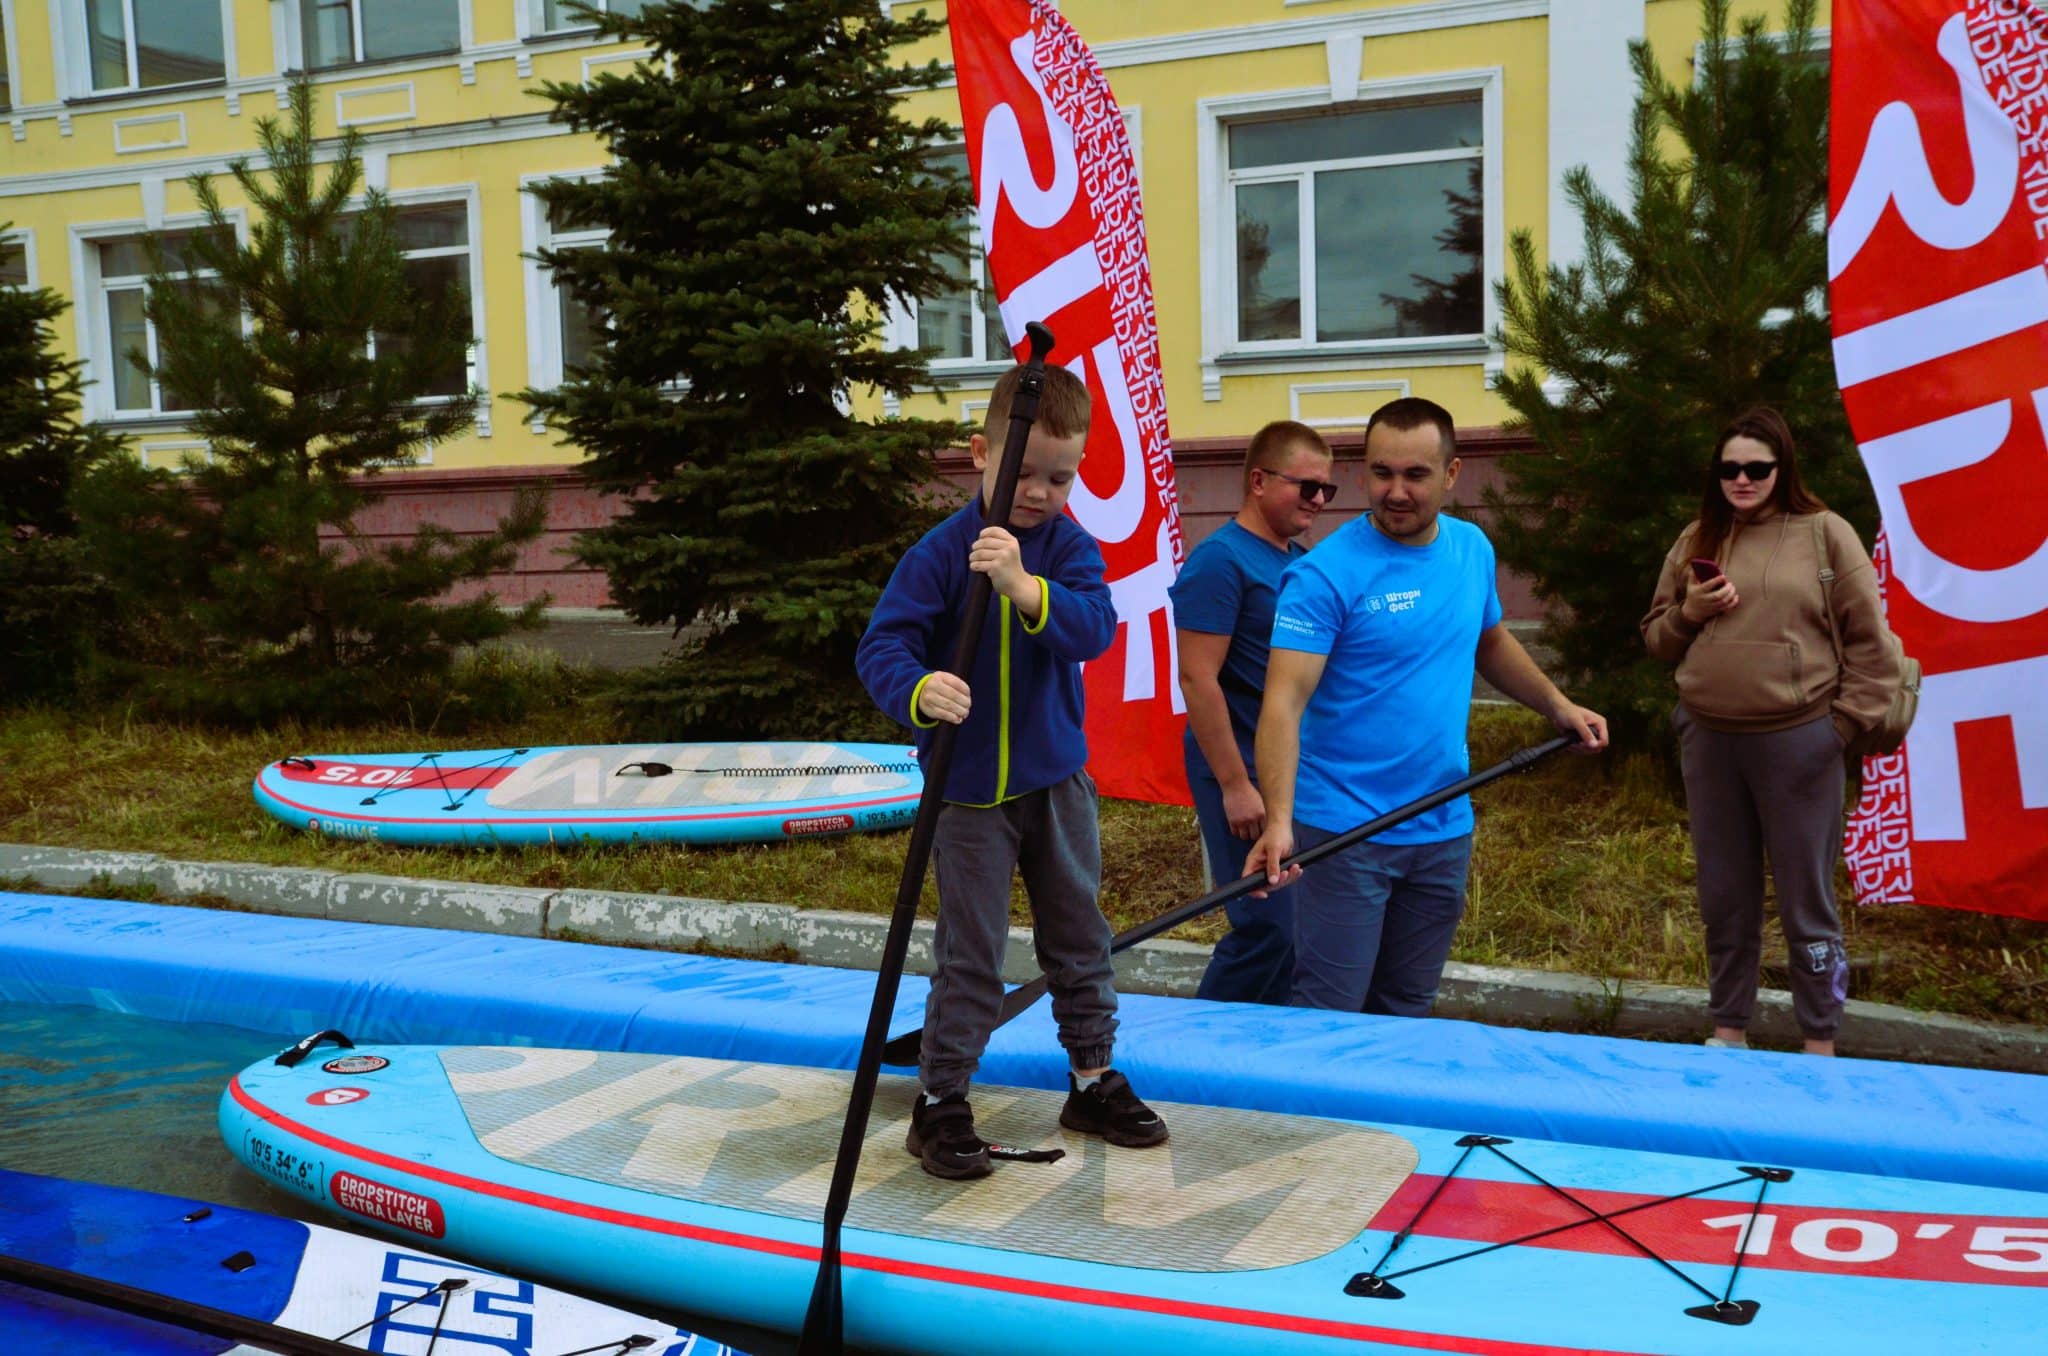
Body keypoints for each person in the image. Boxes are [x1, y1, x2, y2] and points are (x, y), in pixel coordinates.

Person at [855, 363, 1169, 1180]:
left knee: (1078, 932)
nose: (1038, 492)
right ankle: (941, 1100)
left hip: (1056, 782)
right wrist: (920, 690)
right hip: (965, 795)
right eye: (1023, 472)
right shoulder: (938, 555)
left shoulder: (1069, 549)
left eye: (1059, 478)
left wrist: (1024, 589)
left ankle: (1092, 1078)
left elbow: (1093, 628)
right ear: (979, 455)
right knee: (972, 950)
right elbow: (881, 648)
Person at [1245, 397, 1607, 1014]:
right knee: (1331, 1010)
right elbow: (1282, 701)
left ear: (1452, 474)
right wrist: (1279, 819)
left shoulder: (1470, 549)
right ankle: (1311, 1117)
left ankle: (1381, 1118)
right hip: (1344, 831)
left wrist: (1557, 706)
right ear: (1363, 472)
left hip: (1442, 822)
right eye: (1382, 472)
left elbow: (1488, 640)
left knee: (1408, 1006)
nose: (1396, 491)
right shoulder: (1325, 575)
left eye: (1415, 475)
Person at [1640, 407, 1900, 1057]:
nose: (1742, 479)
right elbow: (1657, 638)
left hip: (1800, 742)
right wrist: (1690, 611)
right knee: (1724, 895)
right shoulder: (1699, 536)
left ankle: (1819, 1036)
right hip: (1710, 740)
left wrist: (1838, 730)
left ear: (1783, 469)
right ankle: (1729, 1027)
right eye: (1729, 468)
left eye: (1757, 467)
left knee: (1807, 901)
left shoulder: (1824, 534)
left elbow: (1875, 646)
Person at [1170, 420, 1336, 1004]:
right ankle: (1203, 1052)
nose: (1318, 501)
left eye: (1327, 490)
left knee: (1296, 930)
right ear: (1259, 481)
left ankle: (1260, 1054)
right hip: (1238, 767)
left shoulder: (1297, 559)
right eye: (1306, 486)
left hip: (1288, 768)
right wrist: (1235, 784)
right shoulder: (1221, 562)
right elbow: (1197, 679)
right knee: (1265, 925)